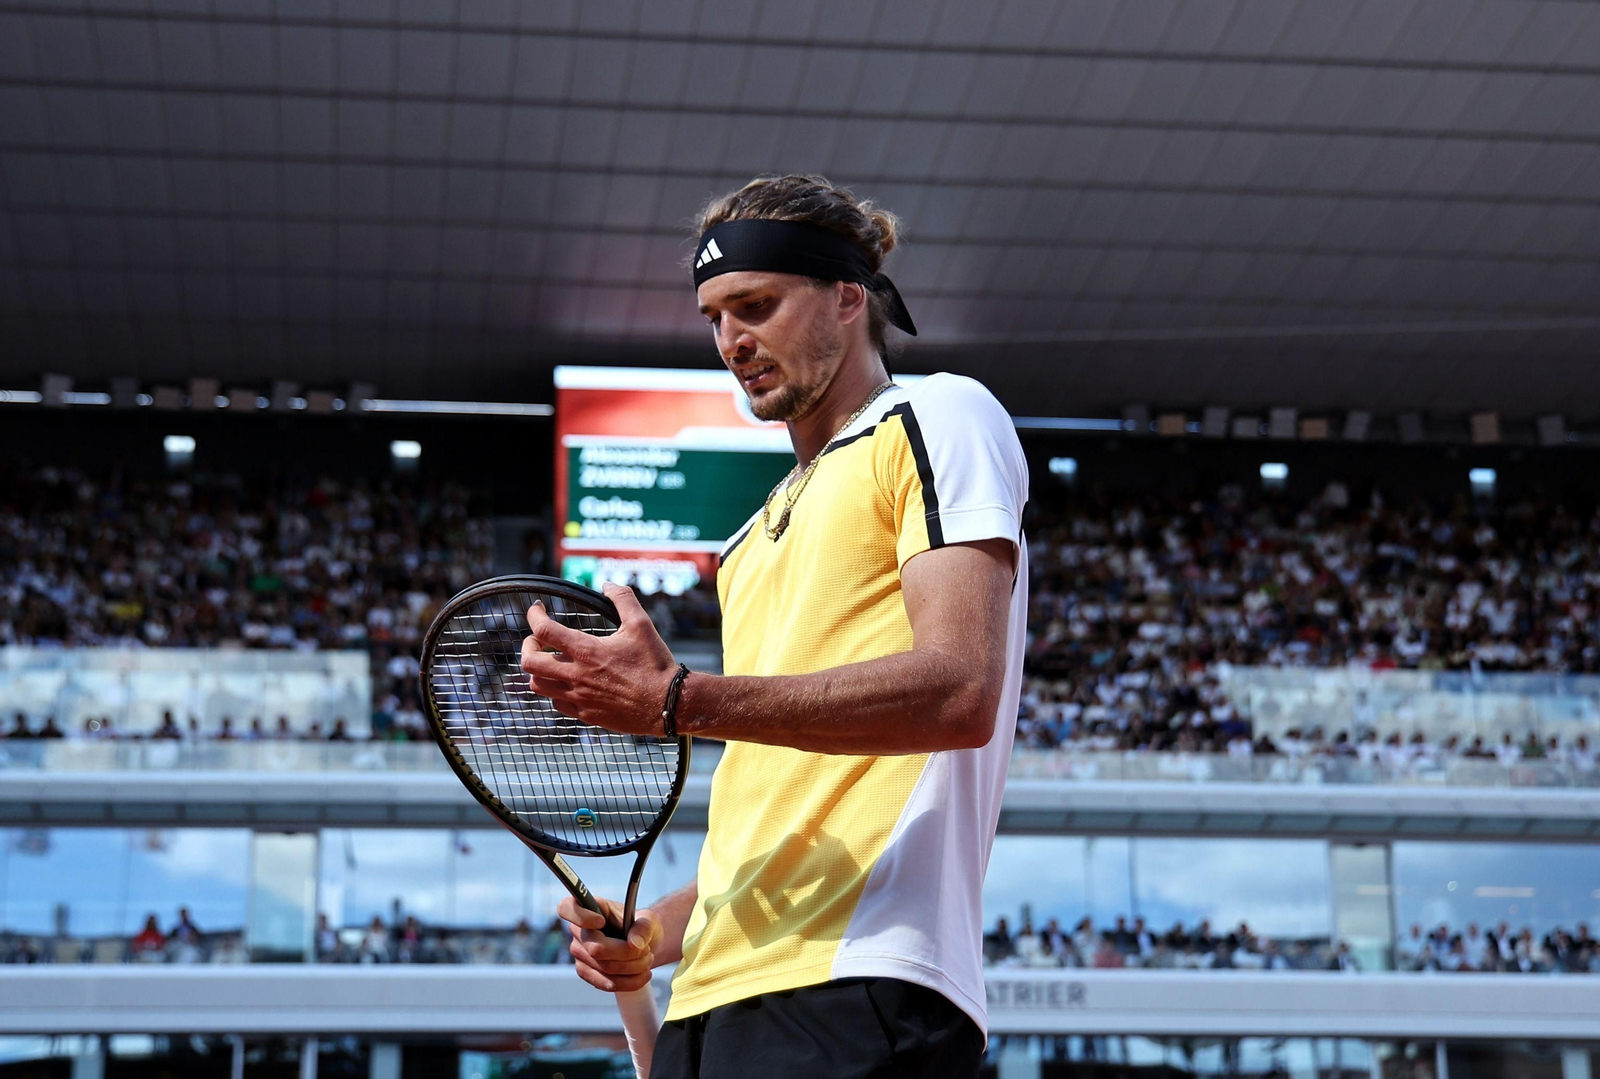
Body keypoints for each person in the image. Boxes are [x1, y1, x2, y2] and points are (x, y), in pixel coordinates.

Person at [530, 175, 1028, 1078]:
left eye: (755, 305)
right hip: (711, 1000)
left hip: (860, 980)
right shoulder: (747, 540)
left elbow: (960, 689)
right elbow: (771, 809)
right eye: (715, 316)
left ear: (848, 298)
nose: (731, 341)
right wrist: (656, 931)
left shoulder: (940, 414)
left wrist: (679, 698)